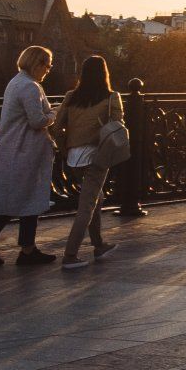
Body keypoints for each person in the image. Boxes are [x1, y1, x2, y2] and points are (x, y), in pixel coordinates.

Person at [0, 46, 59, 267]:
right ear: (36, 63)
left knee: (20, 198)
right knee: (28, 198)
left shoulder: (16, 82)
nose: (48, 70)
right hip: (25, 149)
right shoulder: (30, 87)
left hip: (14, 148)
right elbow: (36, 121)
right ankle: (14, 248)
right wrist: (55, 112)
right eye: (46, 65)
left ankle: (10, 246)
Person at [52, 55, 124, 270]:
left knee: (96, 196)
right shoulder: (111, 97)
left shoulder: (71, 96)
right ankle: (70, 255)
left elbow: (57, 126)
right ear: (105, 73)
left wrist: (65, 149)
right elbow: (118, 125)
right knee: (87, 205)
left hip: (74, 157)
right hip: (97, 155)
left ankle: (99, 244)